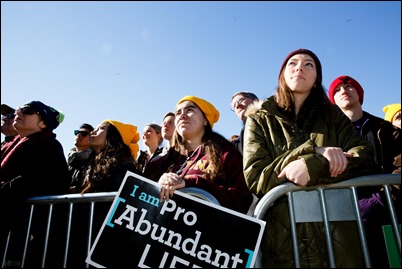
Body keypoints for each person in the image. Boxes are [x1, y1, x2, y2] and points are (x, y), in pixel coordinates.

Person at [242, 49, 380, 267]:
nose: (300, 67)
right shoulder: (259, 120)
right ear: (282, 75)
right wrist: (314, 152)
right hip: (282, 241)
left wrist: (315, 165)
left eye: (309, 65)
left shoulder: (334, 115)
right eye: (293, 63)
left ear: (317, 79)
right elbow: (257, 177)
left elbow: (364, 157)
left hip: (339, 239)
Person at [328, 75, 401, 268]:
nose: (343, 90)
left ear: (359, 94)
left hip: (386, 217)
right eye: (337, 90)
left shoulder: (385, 129)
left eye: (349, 86)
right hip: (342, 220)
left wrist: (381, 199)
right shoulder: (326, 136)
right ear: (332, 101)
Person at [145, 95, 253, 214]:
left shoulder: (226, 154)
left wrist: (191, 184)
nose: (182, 115)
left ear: (206, 120)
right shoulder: (164, 161)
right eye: (178, 112)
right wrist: (156, 187)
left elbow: (241, 200)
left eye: (190, 110)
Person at [0, 100, 70, 267]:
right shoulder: (16, 144)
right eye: (20, 108)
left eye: (27, 110)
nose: (18, 112)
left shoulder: (49, 145)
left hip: (26, 230)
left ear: (43, 123)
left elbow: (37, 181)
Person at [68, 119, 141, 267]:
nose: (93, 131)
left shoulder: (123, 167)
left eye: (101, 129)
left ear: (113, 137)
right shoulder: (88, 162)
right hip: (83, 235)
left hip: (105, 242)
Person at [68, 123, 94, 193]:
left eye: (84, 134)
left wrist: (78, 190)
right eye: (77, 132)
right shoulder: (68, 161)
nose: (79, 135)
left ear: (91, 138)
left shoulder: (94, 159)